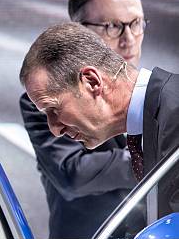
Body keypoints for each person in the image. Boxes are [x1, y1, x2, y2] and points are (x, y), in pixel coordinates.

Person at [19, 0, 144, 239]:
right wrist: (150, 158)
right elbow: (73, 174)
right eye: (113, 26)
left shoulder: (157, 96)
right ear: (80, 33)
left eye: (136, 24)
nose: (128, 40)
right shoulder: (47, 100)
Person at [19, 22, 179, 221]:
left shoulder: (174, 117)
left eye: (54, 109)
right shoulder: (157, 123)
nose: (55, 129)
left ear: (92, 82)